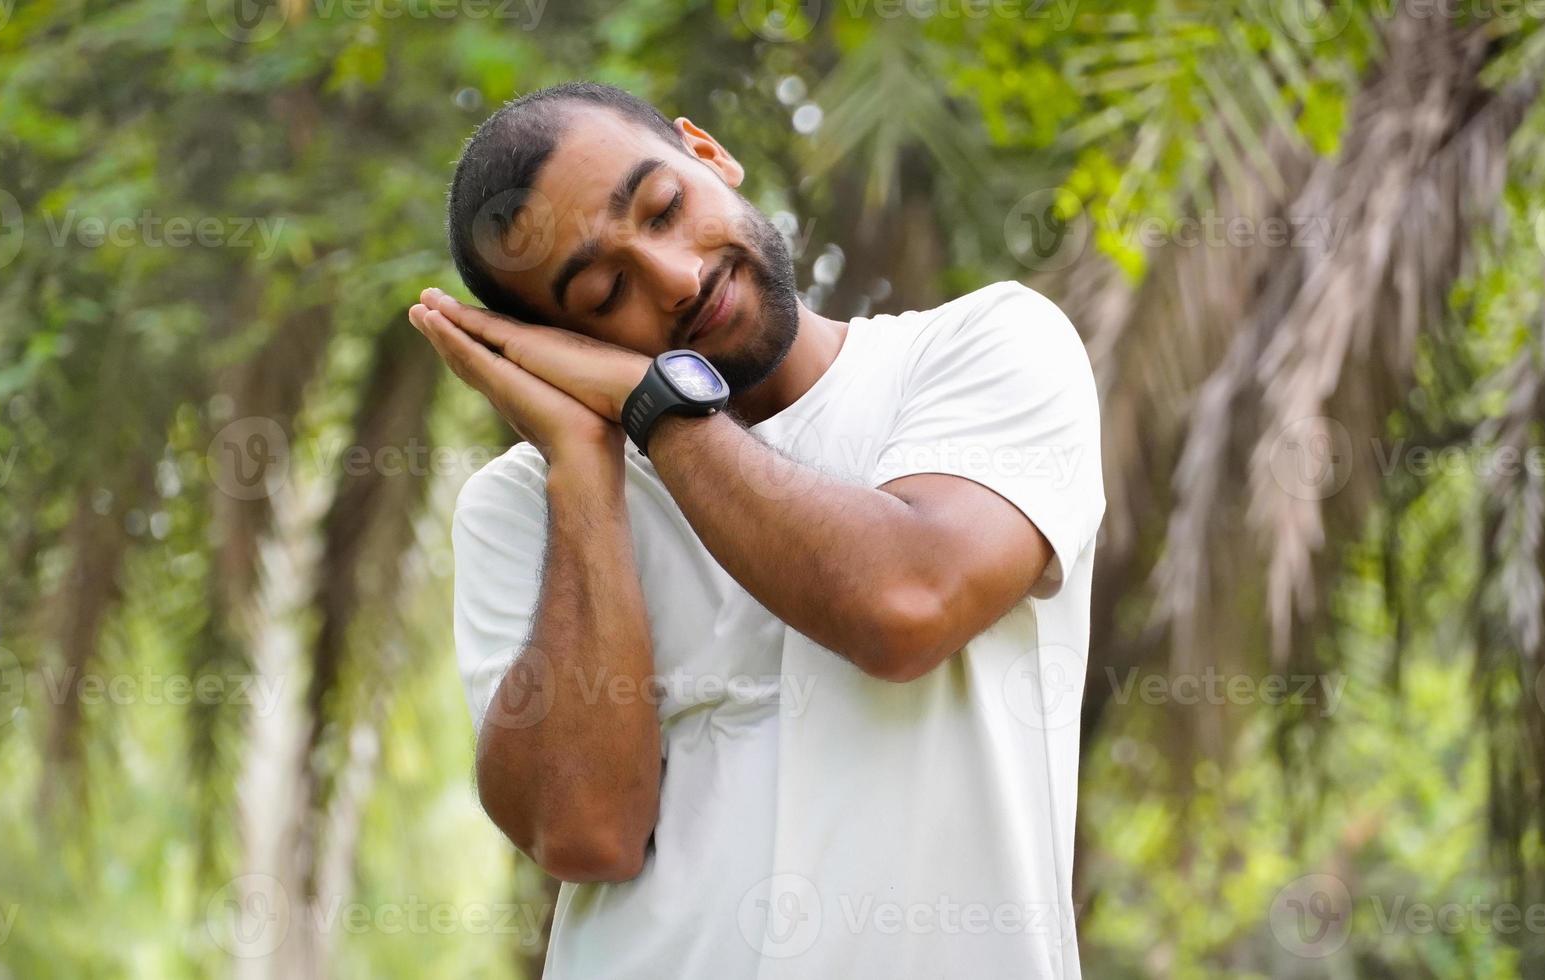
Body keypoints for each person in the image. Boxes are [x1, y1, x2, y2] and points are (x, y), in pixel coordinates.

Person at [408, 80, 1103, 980]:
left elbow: (905, 605)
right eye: (605, 289)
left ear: (708, 154)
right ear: (553, 344)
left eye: (664, 207)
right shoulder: (521, 506)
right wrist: (583, 464)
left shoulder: (986, 348)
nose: (678, 277)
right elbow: (583, 833)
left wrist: (654, 405)